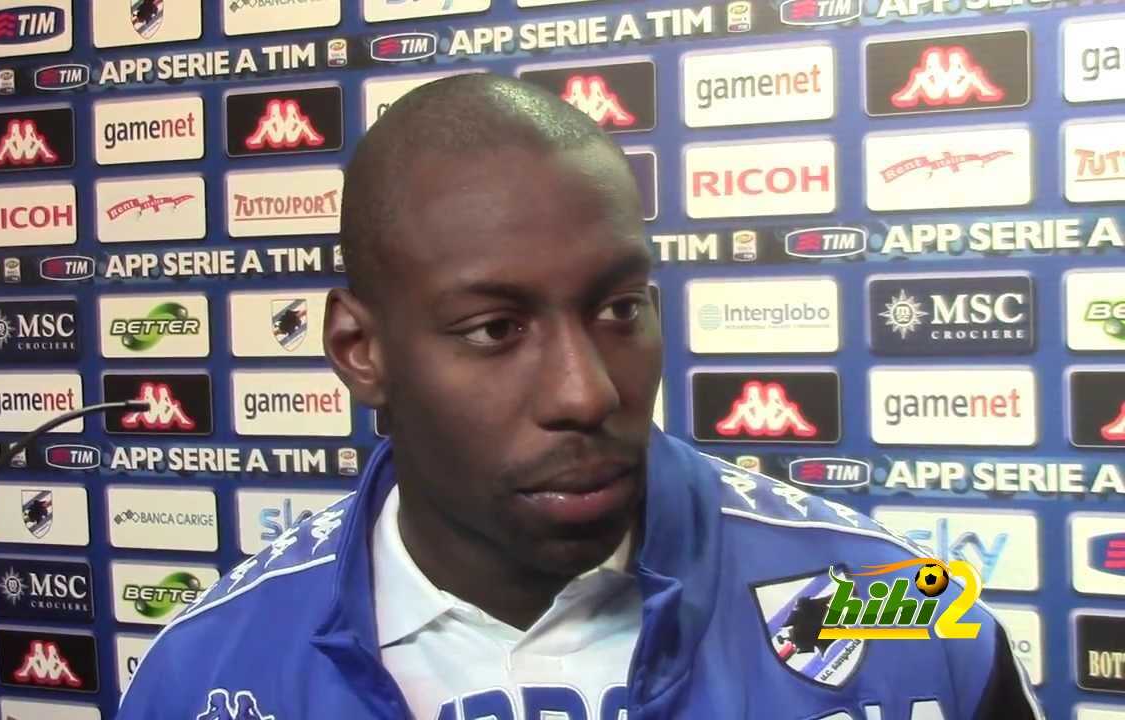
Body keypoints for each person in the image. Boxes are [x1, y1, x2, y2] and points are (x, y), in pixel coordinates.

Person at [117, 74, 1042, 720]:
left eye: (618, 309)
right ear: (361, 352)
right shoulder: (205, 676)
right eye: (495, 329)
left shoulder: (903, 617)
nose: (585, 391)